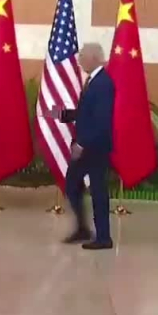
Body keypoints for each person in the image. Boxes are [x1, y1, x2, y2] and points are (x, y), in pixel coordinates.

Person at [45, 43, 115, 250]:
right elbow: (84, 113)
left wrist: (82, 143)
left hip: (96, 147)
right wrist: (59, 114)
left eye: (82, 55)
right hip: (86, 146)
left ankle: (104, 237)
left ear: (94, 58)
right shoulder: (93, 81)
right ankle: (83, 229)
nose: (79, 59)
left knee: (98, 191)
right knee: (72, 184)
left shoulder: (103, 83)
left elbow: (101, 121)